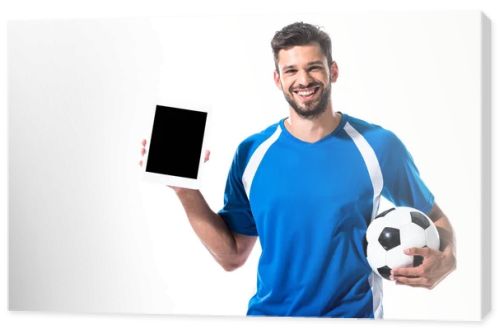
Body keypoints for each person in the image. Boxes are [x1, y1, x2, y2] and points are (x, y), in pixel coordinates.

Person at [140, 22, 456, 318]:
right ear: (278, 79)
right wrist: (185, 190)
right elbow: (232, 255)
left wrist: (448, 259)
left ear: (333, 71)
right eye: (291, 70)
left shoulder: (379, 146)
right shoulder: (252, 152)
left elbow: (436, 218)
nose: (303, 80)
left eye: (313, 67)